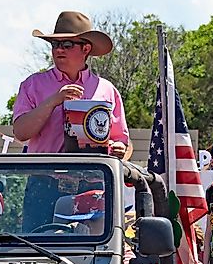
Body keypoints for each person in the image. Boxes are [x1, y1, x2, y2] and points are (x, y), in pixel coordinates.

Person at [12, 11, 130, 160]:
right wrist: (53, 101)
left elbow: (122, 141)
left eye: (67, 44)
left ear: (86, 49)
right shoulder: (32, 85)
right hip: (44, 177)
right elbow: (21, 133)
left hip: (91, 179)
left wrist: (119, 148)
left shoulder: (107, 89)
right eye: (55, 44)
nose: (59, 49)